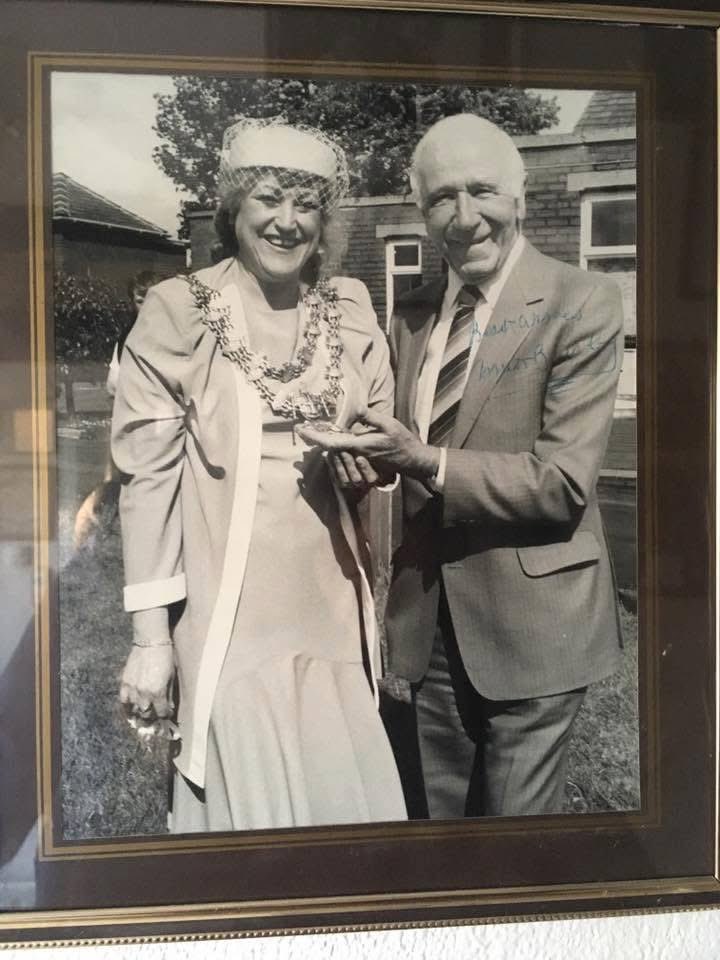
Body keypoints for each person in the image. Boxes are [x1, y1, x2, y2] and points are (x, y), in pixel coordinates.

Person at [299, 113, 624, 820]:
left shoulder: (582, 302)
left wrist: (425, 458)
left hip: (538, 625)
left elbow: (562, 484)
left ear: (519, 200)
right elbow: (398, 454)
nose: (465, 216)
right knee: (438, 835)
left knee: (512, 848)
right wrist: (365, 463)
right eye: (443, 197)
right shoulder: (410, 316)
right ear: (422, 211)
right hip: (429, 625)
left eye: (482, 191)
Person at [111, 117, 407, 832]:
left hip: (332, 605)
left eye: (306, 205)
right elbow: (145, 480)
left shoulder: (351, 309)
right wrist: (151, 641)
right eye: (269, 199)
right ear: (234, 210)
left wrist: (372, 467)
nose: (287, 221)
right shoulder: (180, 310)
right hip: (232, 613)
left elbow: (380, 441)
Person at [73, 271, 159, 548]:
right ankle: (99, 534)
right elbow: (113, 384)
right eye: (140, 299)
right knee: (116, 481)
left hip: (159, 425)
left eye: (153, 299)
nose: (146, 306)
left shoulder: (175, 336)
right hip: (128, 421)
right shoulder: (126, 338)